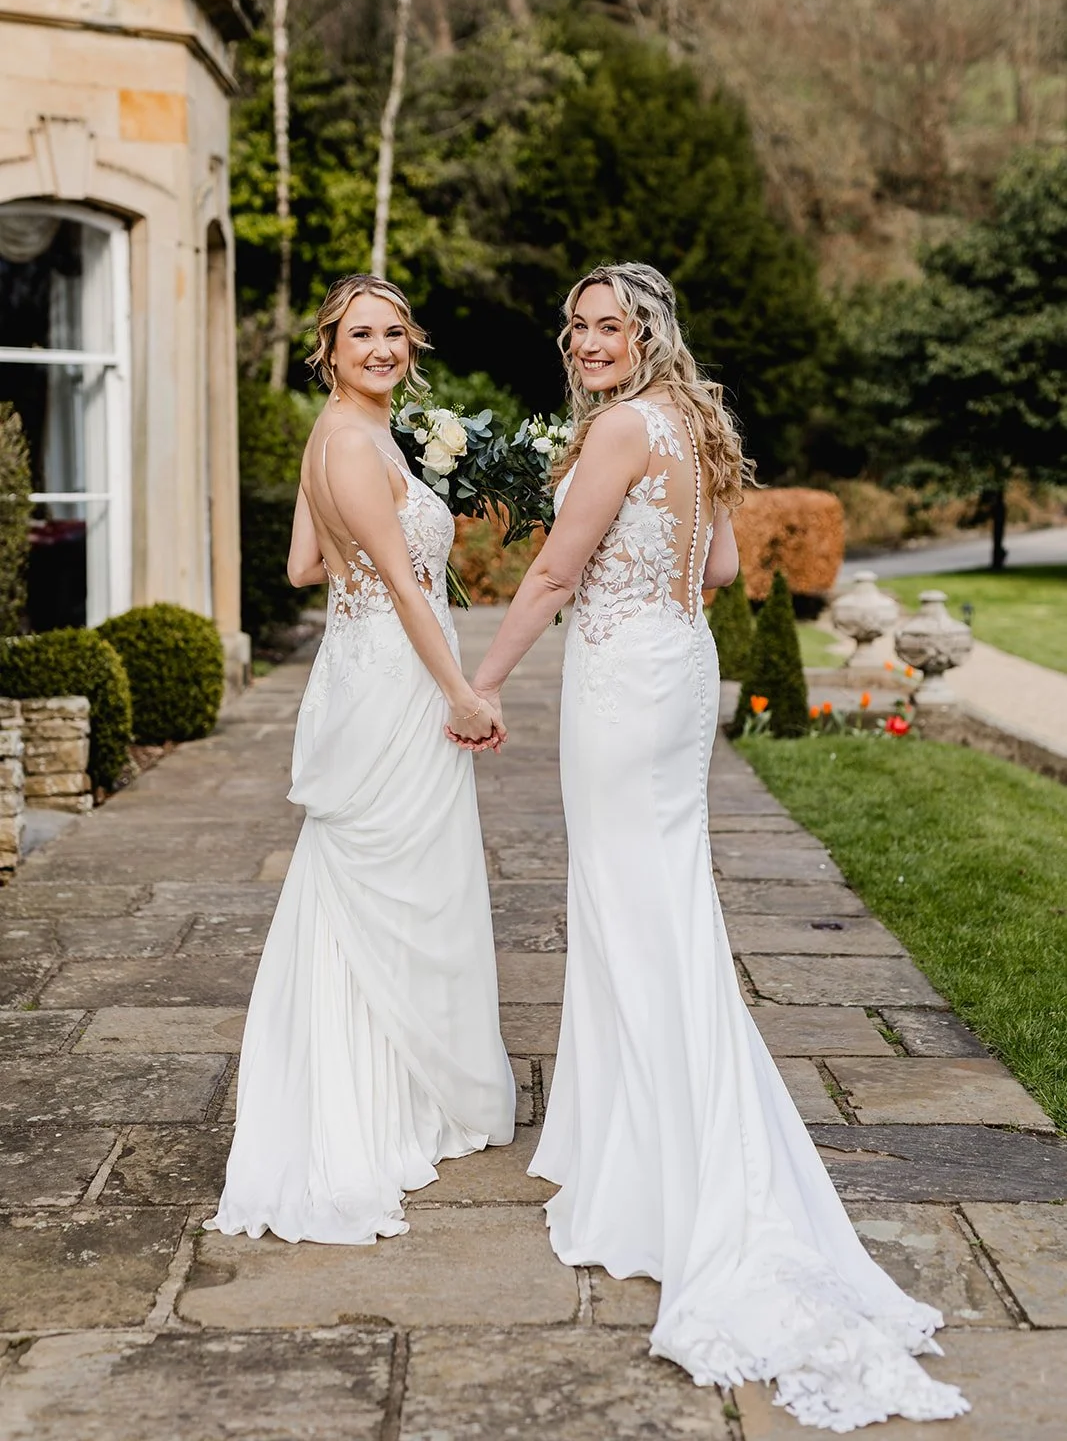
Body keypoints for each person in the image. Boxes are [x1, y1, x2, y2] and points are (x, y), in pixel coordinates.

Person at [460, 262, 968, 1430]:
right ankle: (622, 1131)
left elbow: (548, 571)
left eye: (609, 325)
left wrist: (479, 684)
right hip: (679, 675)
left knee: (629, 906)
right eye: (577, 325)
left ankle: (656, 1159)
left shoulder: (618, 431)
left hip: (622, 687)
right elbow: (728, 570)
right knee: (656, 903)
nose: (586, 340)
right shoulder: (687, 422)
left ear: (647, 334)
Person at [208, 273, 514, 1246]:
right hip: (393, 682)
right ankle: (371, 1099)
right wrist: (461, 695)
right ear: (329, 348)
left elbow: (305, 565)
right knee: (400, 883)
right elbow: (407, 589)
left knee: (392, 880)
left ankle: (400, 1077)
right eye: (361, 335)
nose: (381, 348)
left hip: (368, 660)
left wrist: (361, 555)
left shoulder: (348, 434)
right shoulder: (348, 439)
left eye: (393, 333)